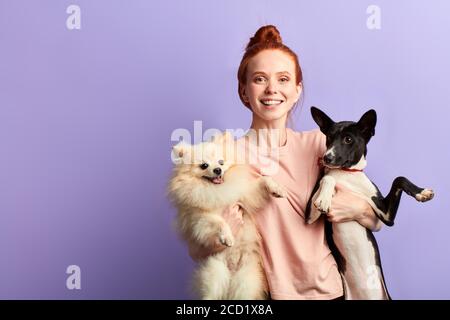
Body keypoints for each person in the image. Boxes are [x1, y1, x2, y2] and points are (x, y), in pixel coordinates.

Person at [188, 25, 381, 300]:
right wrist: (222, 232)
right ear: (244, 91)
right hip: (265, 296)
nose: (271, 90)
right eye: (259, 79)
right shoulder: (224, 154)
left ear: (297, 89)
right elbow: (196, 250)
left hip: (328, 293)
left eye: (282, 79)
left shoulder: (320, 144)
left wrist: (358, 207)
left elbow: (376, 221)